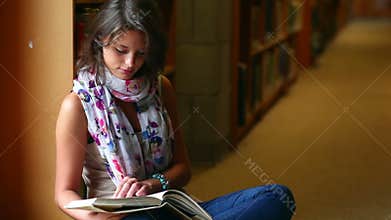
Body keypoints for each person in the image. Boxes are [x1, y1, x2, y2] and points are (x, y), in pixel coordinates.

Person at [55, 0, 296, 219]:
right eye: (121, 50)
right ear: (99, 41)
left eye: (141, 53)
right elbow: (64, 192)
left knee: (278, 196)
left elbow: (183, 170)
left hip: (174, 207)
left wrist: (152, 185)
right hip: (124, 216)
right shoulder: (78, 104)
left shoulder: (160, 88)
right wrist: (92, 218)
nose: (130, 63)